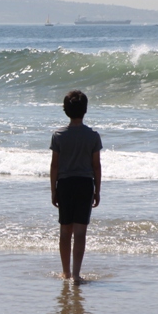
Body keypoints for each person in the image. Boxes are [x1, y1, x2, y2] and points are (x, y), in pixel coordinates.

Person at [49, 90, 102, 283]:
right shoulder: (93, 136)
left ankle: (66, 272)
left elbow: (54, 165)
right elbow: (96, 165)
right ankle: (77, 274)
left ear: (66, 110)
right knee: (80, 232)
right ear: (85, 110)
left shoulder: (59, 135)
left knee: (65, 231)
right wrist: (98, 190)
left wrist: (53, 190)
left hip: (65, 184)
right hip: (85, 184)